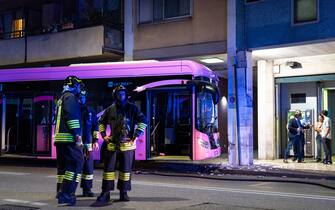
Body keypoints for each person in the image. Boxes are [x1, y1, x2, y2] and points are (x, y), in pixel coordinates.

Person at [97, 85, 147, 203]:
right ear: (115, 95)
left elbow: (144, 121)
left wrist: (136, 135)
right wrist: (104, 135)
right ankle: (105, 193)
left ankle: (123, 193)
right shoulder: (110, 109)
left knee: (125, 171)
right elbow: (100, 122)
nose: (121, 95)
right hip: (112, 145)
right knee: (108, 171)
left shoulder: (133, 108)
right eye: (119, 93)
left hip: (127, 145)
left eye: (123, 93)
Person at [54, 76, 83, 206]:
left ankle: (63, 193)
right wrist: (77, 136)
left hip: (61, 139)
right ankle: (65, 194)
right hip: (68, 138)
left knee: (67, 167)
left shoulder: (61, 98)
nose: (79, 89)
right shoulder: (70, 97)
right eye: (78, 86)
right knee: (76, 164)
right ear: (74, 86)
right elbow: (72, 117)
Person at [79, 86, 100, 197]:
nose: (81, 99)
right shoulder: (74, 110)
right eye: (79, 96)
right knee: (75, 168)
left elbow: (95, 127)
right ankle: (69, 191)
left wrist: (95, 140)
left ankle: (87, 190)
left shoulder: (90, 111)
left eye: (83, 97)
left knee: (88, 168)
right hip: (76, 145)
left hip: (88, 144)